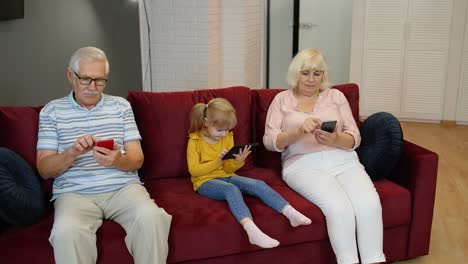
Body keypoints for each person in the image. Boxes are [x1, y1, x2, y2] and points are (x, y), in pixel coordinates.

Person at [36, 46, 172, 264]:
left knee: (152, 218)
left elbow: (137, 159)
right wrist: (72, 152)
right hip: (74, 193)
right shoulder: (52, 112)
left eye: (99, 80)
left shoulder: (121, 106)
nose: (92, 87)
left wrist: (118, 159)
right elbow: (44, 169)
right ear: (70, 76)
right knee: (66, 232)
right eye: (86, 79)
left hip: (123, 188)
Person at [263, 48, 386, 264]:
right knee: (339, 208)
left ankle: (375, 261)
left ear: (323, 75)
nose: (311, 80)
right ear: (296, 74)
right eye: (305, 73)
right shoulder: (281, 100)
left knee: (369, 203)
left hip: (343, 160)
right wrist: (299, 131)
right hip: (302, 165)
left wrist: (336, 140)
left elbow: (354, 136)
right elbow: (269, 141)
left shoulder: (336, 96)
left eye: (317, 73)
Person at [186, 98, 311, 249]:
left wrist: (239, 161)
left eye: (227, 130)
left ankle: (289, 212)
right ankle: (251, 230)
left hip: (226, 176)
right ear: (206, 122)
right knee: (231, 189)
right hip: (204, 182)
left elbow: (228, 169)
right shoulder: (195, 140)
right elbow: (194, 170)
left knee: (257, 184)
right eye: (220, 130)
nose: (224, 134)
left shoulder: (227, 137)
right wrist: (216, 163)